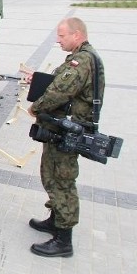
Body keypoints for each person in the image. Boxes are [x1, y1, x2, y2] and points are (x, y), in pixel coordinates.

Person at [27, 17, 104, 258]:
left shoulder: (81, 61)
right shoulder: (80, 57)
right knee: (51, 174)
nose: (58, 40)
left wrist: (36, 108)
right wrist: (38, 79)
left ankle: (63, 240)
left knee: (61, 180)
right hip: (63, 130)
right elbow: (59, 82)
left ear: (77, 35)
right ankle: (55, 219)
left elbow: (61, 91)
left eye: (62, 36)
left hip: (69, 131)